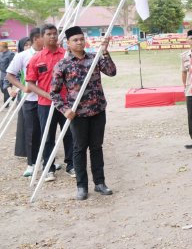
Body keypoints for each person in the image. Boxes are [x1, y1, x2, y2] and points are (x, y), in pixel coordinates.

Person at [50, 26, 116, 200]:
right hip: (77, 114)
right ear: (68, 43)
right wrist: (65, 110)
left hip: (97, 110)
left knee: (96, 147)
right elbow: (54, 92)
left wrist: (105, 52)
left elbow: (111, 72)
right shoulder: (63, 65)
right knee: (79, 149)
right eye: (75, 40)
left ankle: (100, 183)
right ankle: (81, 186)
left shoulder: (94, 59)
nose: (79, 42)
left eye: (81, 39)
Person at [26, 24, 75, 181]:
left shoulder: (67, 55)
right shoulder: (36, 58)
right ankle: (49, 167)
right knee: (47, 136)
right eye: (49, 34)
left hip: (66, 103)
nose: (53, 36)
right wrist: (48, 95)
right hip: (45, 105)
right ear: (42, 37)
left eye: (55, 34)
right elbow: (31, 84)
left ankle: (71, 165)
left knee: (69, 134)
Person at [6, 31, 43, 177]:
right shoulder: (22, 55)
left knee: (46, 131)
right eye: (45, 36)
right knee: (31, 132)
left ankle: (47, 162)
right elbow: (10, 75)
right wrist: (23, 88)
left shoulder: (47, 54)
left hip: (46, 100)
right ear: (36, 39)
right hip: (30, 100)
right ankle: (31, 163)